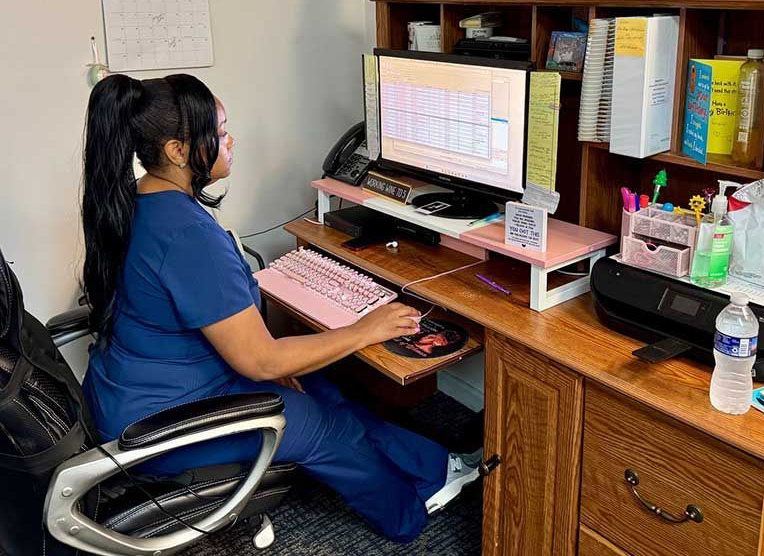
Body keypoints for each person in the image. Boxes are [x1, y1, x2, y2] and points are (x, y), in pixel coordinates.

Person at [80, 74, 480, 543]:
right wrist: (363, 330)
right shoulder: (187, 235)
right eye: (220, 131)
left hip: (137, 391)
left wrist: (277, 363)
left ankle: (434, 467)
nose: (231, 141)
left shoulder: (139, 200)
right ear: (177, 151)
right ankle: (409, 518)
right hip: (166, 424)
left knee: (321, 387)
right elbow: (262, 360)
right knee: (329, 429)